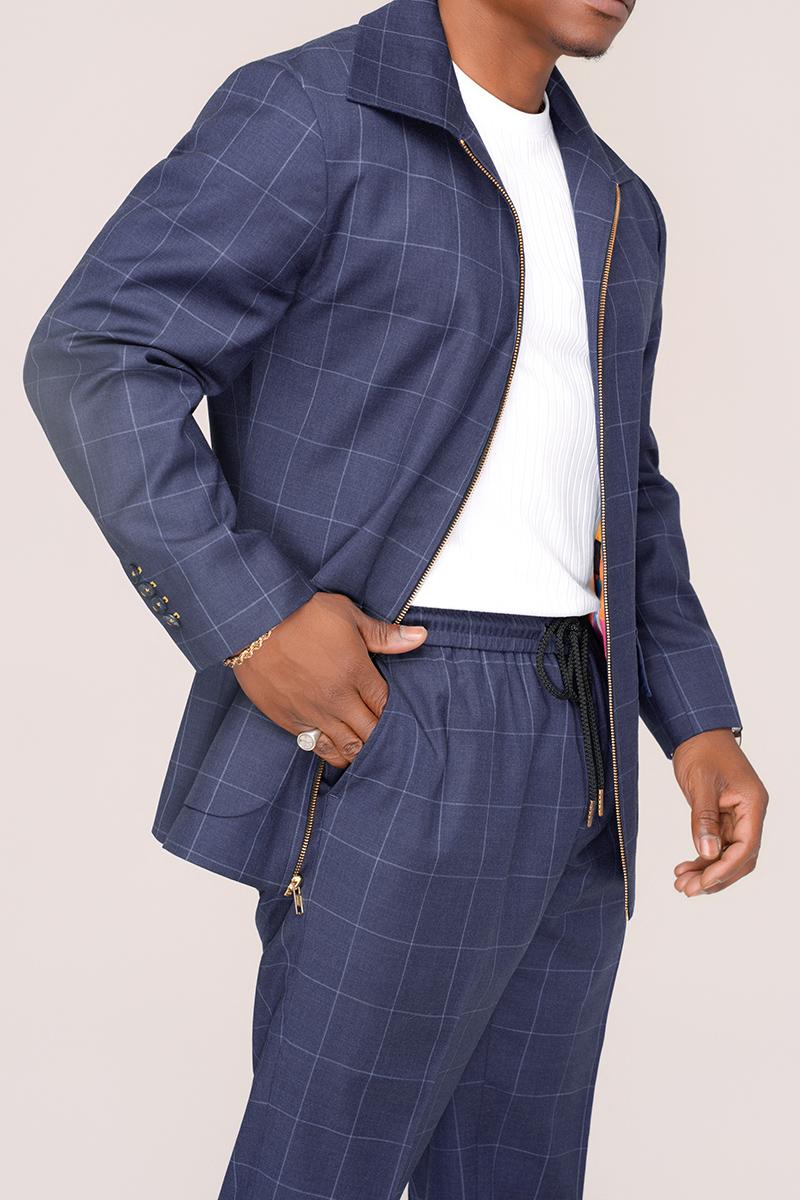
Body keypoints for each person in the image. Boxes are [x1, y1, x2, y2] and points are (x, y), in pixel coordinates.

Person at [23, 0, 768, 1196]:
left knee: (519, 1179)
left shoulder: (615, 200)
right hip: (399, 713)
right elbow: (97, 354)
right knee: (322, 1174)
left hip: (579, 736)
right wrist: (253, 619)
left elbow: (622, 482)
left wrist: (695, 721)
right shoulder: (313, 113)